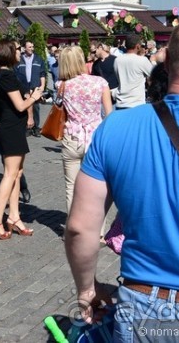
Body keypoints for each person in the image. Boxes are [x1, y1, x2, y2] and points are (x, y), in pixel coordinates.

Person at [65, 19, 179, 337]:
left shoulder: (116, 128)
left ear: (167, 62)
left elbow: (80, 228)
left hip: (142, 306)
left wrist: (87, 288)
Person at [0, 38, 42, 240]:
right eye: (17, 49)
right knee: (10, 173)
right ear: (9, 53)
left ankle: (14, 217)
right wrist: (35, 97)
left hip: (13, 128)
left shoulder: (4, 74)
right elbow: (20, 105)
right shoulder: (7, 76)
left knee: (17, 173)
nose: (19, 52)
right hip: (10, 128)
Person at [55, 46, 112, 225]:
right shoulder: (100, 82)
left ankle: (74, 228)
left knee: (71, 187)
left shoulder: (61, 85)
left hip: (72, 137)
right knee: (98, 186)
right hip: (95, 138)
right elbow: (109, 114)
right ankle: (99, 230)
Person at [112, 33, 153, 109]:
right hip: (136, 104)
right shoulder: (142, 60)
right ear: (137, 46)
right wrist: (153, 61)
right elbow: (154, 75)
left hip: (121, 103)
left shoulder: (117, 60)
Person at [15, 40, 47, 137]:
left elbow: (42, 74)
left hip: (34, 86)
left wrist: (42, 86)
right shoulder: (19, 59)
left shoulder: (38, 59)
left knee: (36, 107)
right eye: (29, 47)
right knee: (24, 107)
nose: (32, 49)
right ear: (24, 48)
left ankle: (36, 127)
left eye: (32, 47)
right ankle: (27, 127)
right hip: (24, 87)